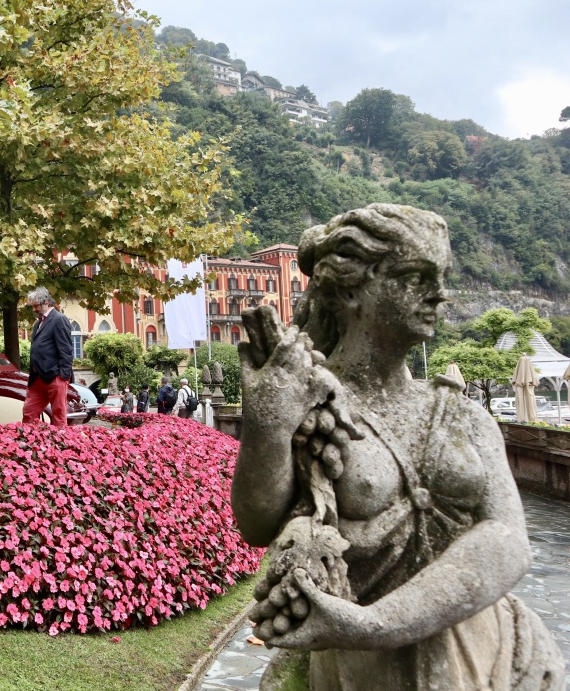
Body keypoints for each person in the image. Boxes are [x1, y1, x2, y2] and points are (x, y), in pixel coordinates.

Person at [233, 204, 563, 689]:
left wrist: (377, 624)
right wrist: (267, 425)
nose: (440, 294)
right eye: (416, 277)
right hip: (363, 671)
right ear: (350, 289)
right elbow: (257, 523)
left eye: (442, 276)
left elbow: (509, 539)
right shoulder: (310, 406)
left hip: (494, 654)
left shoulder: (463, 413)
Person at [22, 287, 74, 426]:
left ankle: (59, 446)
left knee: (58, 414)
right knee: (29, 413)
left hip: (54, 376)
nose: (34, 310)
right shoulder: (38, 323)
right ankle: (30, 445)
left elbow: (66, 349)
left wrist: (63, 376)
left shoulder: (59, 319)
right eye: (32, 306)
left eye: (36, 306)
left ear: (46, 302)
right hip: (37, 378)